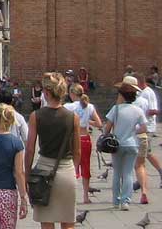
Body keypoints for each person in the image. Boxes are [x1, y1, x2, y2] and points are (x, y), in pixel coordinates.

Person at [23, 72, 80, 229]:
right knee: (68, 223)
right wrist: (71, 170)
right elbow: (77, 151)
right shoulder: (73, 117)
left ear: (46, 92)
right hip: (65, 170)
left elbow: (30, 150)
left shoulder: (36, 116)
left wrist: (27, 175)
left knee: (46, 227)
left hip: (43, 169)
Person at [103, 79, 148, 210]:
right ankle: (126, 201)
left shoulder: (116, 109)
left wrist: (107, 134)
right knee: (128, 173)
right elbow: (144, 128)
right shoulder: (137, 110)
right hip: (132, 144)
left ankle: (116, 201)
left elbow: (107, 128)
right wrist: (134, 131)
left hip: (117, 144)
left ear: (122, 95)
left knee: (117, 172)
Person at [63, 84, 101, 204]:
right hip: (85, 138)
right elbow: (99, 123)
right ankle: (85, 196)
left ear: (72, 94)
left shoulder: (68, 107)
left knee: (72, 167)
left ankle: (71, 195)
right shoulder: (89, 106)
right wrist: (86, 121)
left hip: (73, 138)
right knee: (86, 166)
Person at [132, 73, 162, 204]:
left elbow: (154, 110)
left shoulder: (148, 93)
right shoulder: (140, 93)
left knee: (145, 154)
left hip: (147, 128)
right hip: (140, 128)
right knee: (144, 154)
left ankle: (143, 180)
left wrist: (141, 113)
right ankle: (140, 180)